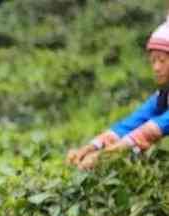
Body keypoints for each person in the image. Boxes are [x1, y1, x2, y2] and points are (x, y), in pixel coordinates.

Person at [67, 17, 169, 170]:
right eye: (153, 61)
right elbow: (132, 123)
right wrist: (90, 147)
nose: (156, 68)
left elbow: (149, 132)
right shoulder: (163, 95)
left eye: (161, 61)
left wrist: (103, 156)